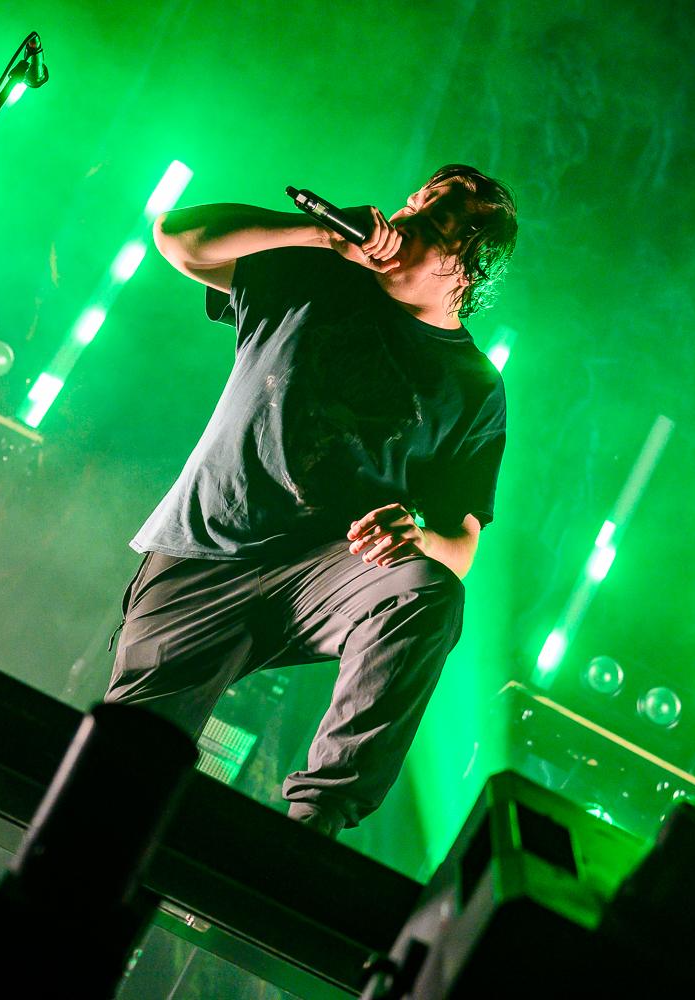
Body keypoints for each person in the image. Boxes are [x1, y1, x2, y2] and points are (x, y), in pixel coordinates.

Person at [104, 164, 517, 837]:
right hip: (208, 544)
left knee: (430, 592)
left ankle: (314, 825)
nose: (407, 215)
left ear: (469, 268)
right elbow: (177, 236)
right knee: (118, 768)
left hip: (328, 571)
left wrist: (418, 535)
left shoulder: (475, 387)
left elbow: (461, 545)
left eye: (436, 218)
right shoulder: (314, 275)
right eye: (414, 201)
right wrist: (320, 234)